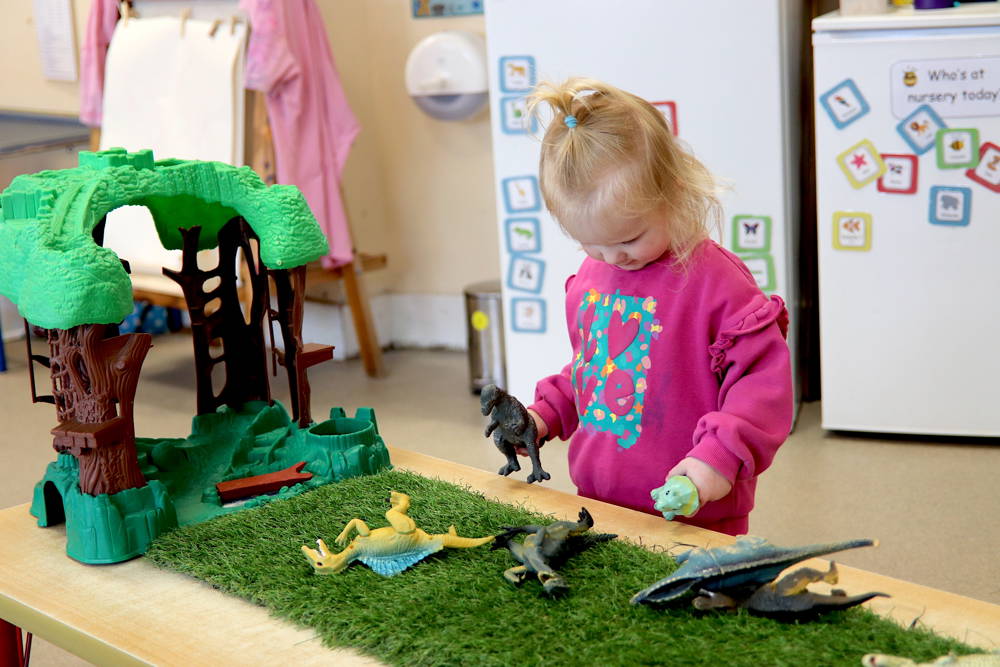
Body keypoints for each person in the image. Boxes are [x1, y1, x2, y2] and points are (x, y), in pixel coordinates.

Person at [522, 78, 793, 536]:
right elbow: (595, 371)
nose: (613, 258)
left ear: (673, 191)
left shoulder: (716, 282)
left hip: (694, 508)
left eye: (628, 238)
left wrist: (717, 460)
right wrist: (544, 415)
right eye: (590, 243)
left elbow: (761, 388)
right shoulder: (592, 277)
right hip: (599, 503)